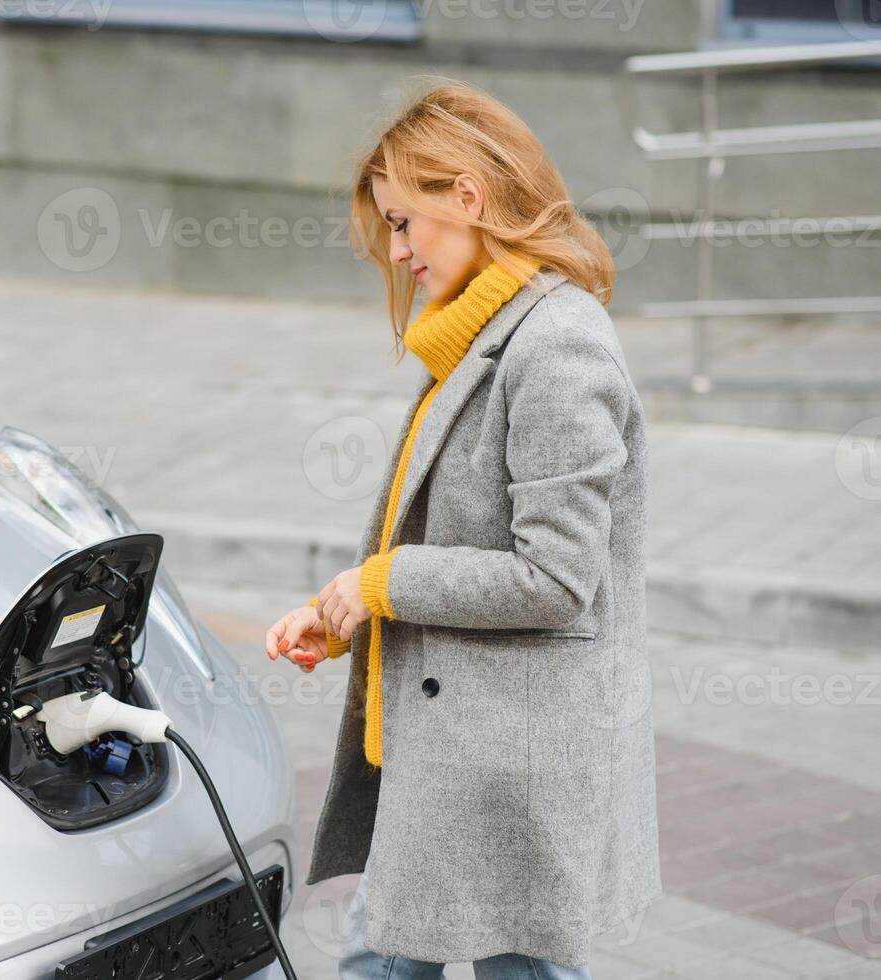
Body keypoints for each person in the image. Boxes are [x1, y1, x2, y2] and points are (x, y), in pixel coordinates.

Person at [264, 79, 662, 979]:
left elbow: (557, 580)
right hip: (460, 765)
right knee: (382, 954)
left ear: (469, 196)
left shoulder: (557, 345)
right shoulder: (480, 333)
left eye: (406, 221)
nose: (398, 251)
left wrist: (379, 585)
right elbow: (454, 535)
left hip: (510, 773)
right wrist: (346, 611)